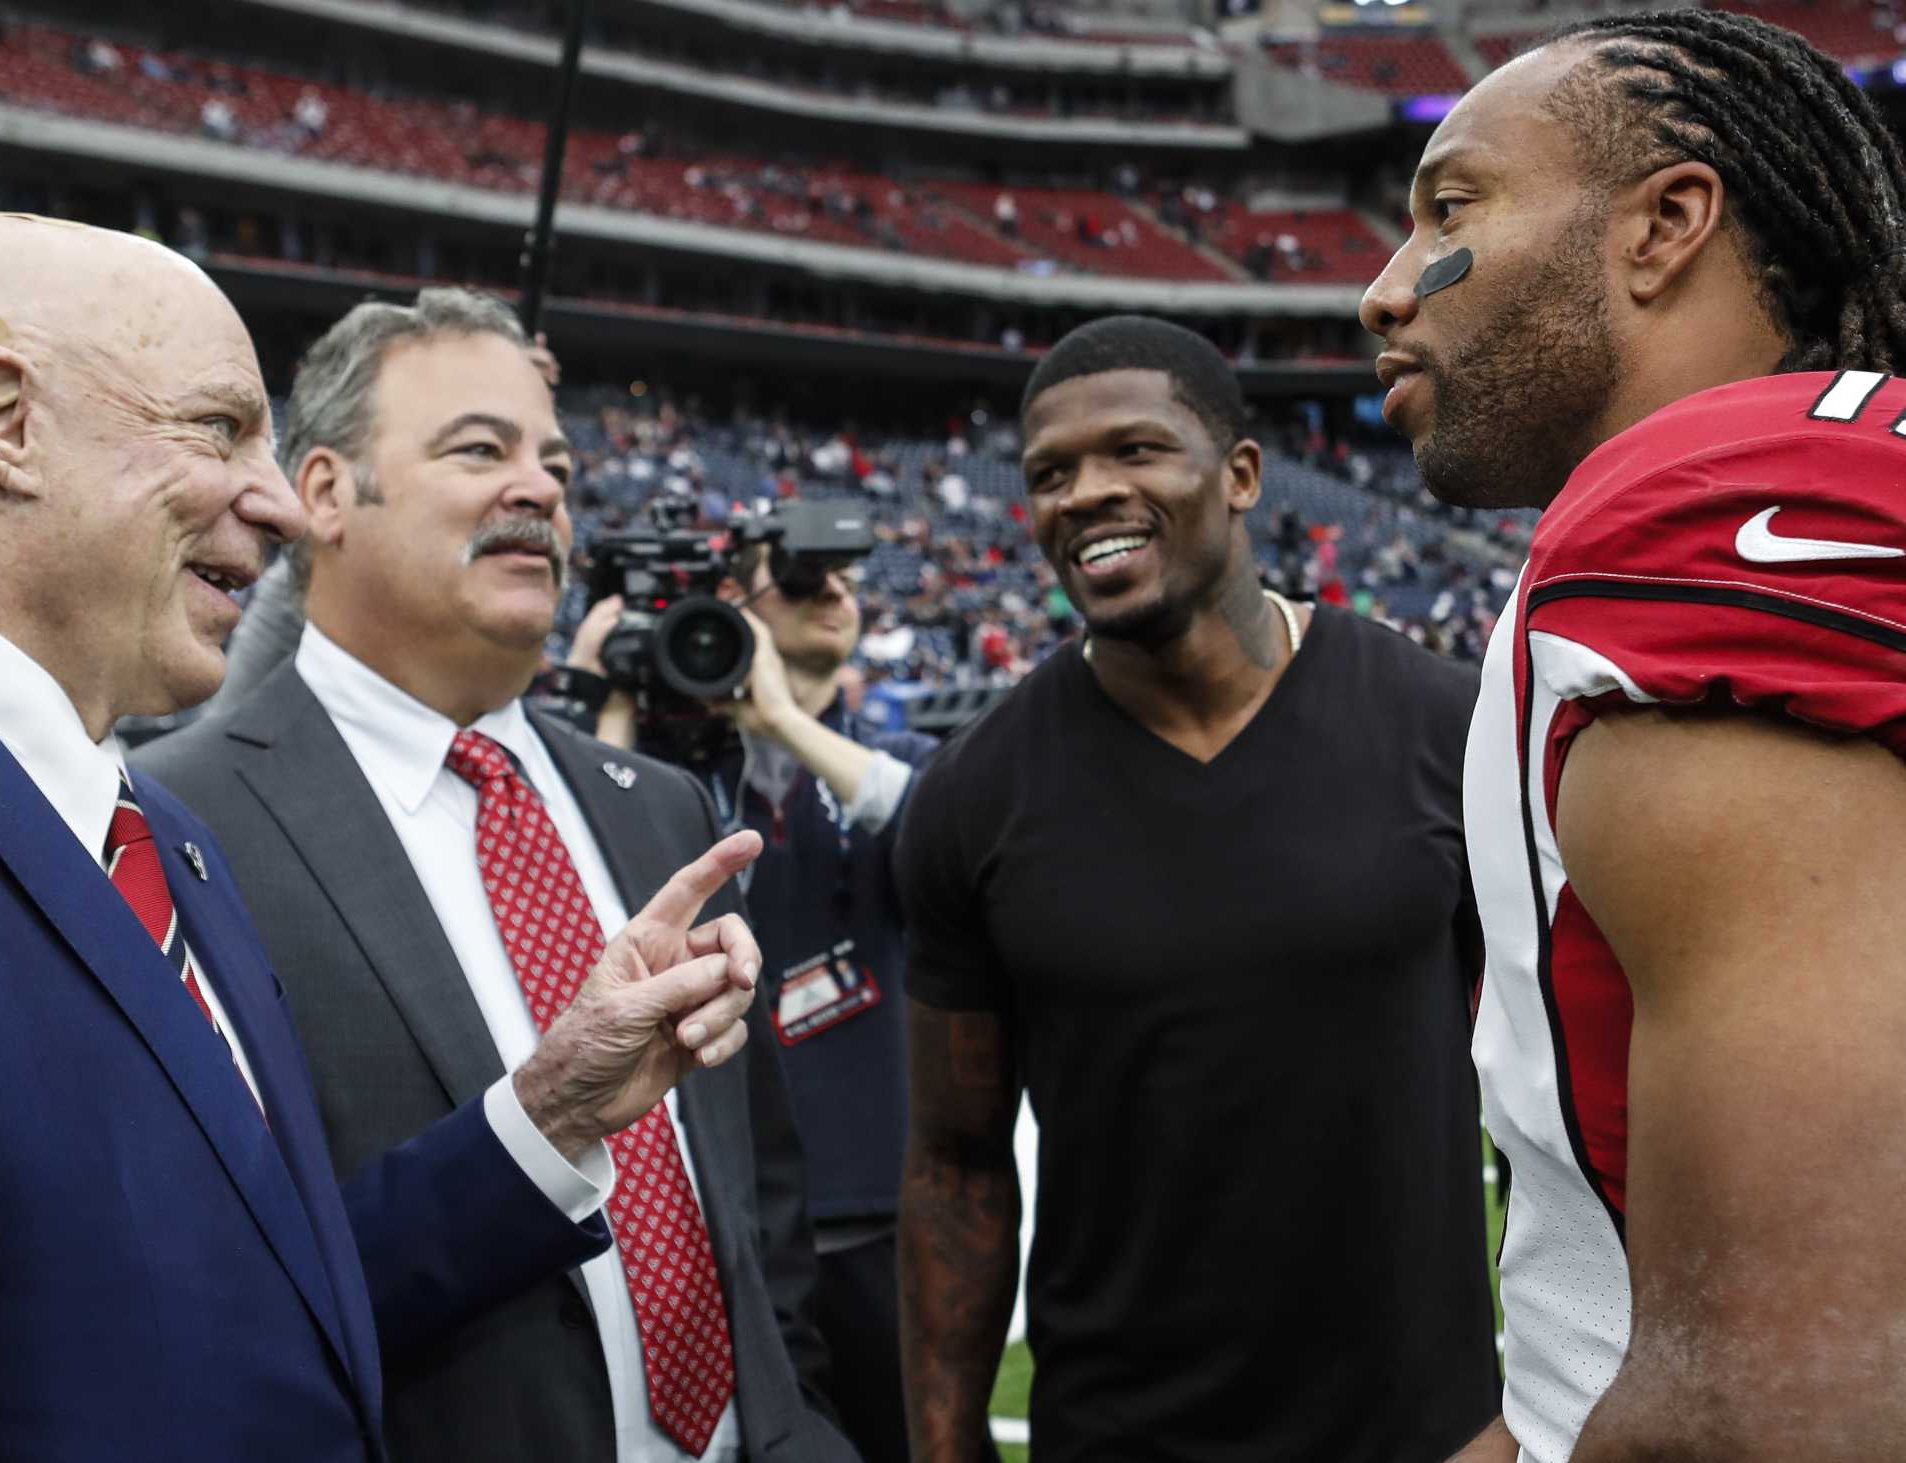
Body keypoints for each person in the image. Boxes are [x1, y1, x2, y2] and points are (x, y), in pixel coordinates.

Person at [0, 217, 764, 1462]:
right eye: (220, 428)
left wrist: (555, 1107)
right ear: (2, 420)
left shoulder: (154, 836)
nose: (281, 502)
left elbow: (275, 1301)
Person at [136, 287, 858, 1463]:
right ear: (323, 494)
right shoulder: (180, 821)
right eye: (479, 449)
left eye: (556, 462)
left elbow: (760, 1198)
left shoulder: (664, 809)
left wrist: (790, 1418)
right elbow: (224, 1297)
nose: (540, 488)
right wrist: (545, 1119)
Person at [1358, 12, 1906, 1461]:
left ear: (1665, 225)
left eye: (1449, 208)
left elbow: (1785, 1400)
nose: (1383, 290)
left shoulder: (1722, 508)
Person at [893, 315, 1498, 1463]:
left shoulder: (1444, 725)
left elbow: (1555, 1087)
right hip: (1120, 1435)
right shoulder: (973, 795)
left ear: (1239, 475)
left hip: (1425, 1433)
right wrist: (944, 1445)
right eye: (1049, 474)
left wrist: (1525, 1406)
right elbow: (954, 1161)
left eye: (1133, 450)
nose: (1084, 493)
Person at [571, 539, 947, 1463]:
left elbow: (945, 839)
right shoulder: (660, 781)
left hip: (880, 1212)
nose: (838, 595)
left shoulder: (893, 756)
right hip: (724, 1220)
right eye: (811, 579)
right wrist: (606, 703)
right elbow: (579, 911)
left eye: (852, 581)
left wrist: (778, 717)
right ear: (736, 604)